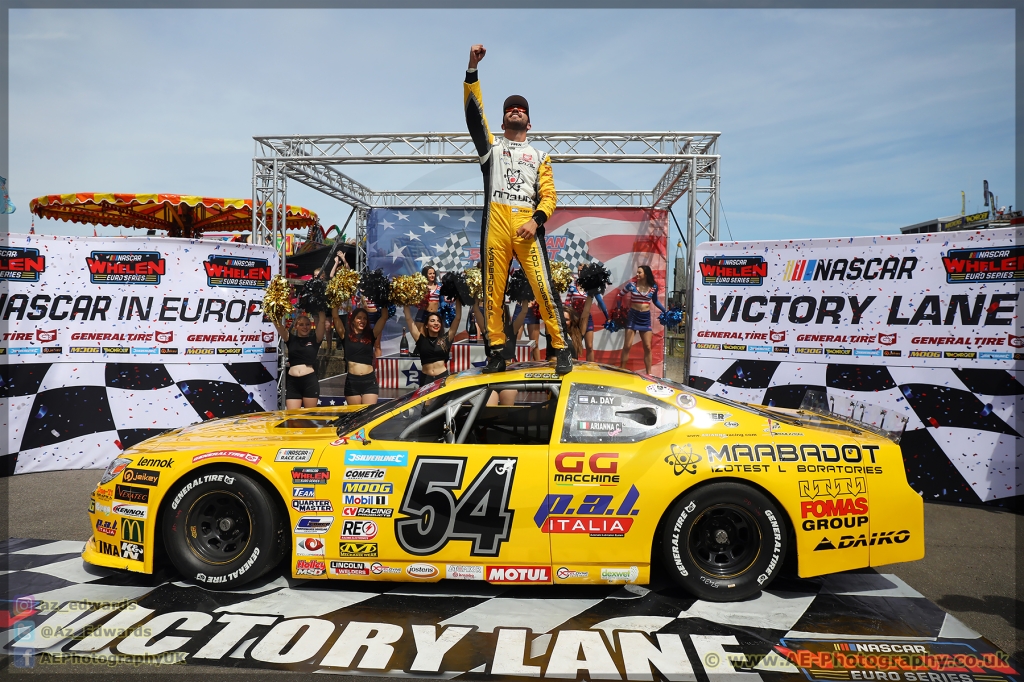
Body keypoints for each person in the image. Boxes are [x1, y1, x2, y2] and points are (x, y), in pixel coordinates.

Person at [464, 43, 572, 375]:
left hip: (526, 223)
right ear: (502, 117)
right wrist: (472, 68)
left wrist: (537, 221)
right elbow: (473, 113)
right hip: (495, 221)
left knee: (543, 287)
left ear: (529, 120)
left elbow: (550, 197)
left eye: (521, 109)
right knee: (492, 291)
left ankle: (561, 347)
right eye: (510, 108)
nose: (515, 110)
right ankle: (497, 351)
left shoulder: (541, 156)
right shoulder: (491, 149)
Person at [331, 305, 389, 405]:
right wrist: (335, 300)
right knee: (355, 417)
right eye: (359, 318)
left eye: (365, 318)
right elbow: (335, 316)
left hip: (369, 381)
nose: (362, 320)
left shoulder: (371, 334)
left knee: (369, 415)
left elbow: (384, 317)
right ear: (353, 320)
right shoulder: (345, 335)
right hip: (352, 382)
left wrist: (383, 300)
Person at [618, 265, 667, 374]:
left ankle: (649, 374)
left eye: (639, 272)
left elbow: (656, 301)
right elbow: (619, 295)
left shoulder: (653, 287)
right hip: (632, 316)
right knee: (627, 345)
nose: (637, 274)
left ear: (646, 274)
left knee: (648, 347)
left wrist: (665, 311)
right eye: (637, 272)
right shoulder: (631, 285)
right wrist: (618, 310)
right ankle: (622, 370)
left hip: (645, 318)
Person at [274, 311, 327, 409]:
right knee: (292, 418)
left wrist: (321, 308)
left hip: (309, 381)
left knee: (309, 416)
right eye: (301, 324)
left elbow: (322, 322)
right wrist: (273, 311)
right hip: (292, 382)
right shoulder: (290, 338)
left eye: (307, 324)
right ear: (296, 326)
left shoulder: (315, 340)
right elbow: (278, 325)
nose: (305, 327)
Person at [404, 300, 463, 386]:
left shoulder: (446, 339)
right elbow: (408, 318)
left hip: (442, 378)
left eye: (438, 321)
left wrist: (458, 298)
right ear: (426, 325)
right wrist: (405, 300)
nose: (436, 323)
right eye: (432, 321)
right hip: (426, 379)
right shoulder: (420, 339)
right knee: (425, 400)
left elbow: (457, 318)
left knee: (442, 400)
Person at [565, 266, 609, 362]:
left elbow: (600, 301)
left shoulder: (590, 287)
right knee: (575, 345)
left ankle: (591, 368)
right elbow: (567, 303)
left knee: (589, 346)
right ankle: (573, 364)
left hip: (587, 319)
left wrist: (607, 317)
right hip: (575, 319)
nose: (580, 272)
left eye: (582, 270)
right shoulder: (572, 287)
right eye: (579, 270)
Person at [414, 265, 442, 336]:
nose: (432, 275)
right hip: (423, 314)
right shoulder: (421, 286)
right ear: (425, 275)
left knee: (435, 338)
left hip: (435, 315)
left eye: (433, 273)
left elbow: (442, 302)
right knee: (421, 338)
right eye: (430, 274)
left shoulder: (439, 287)